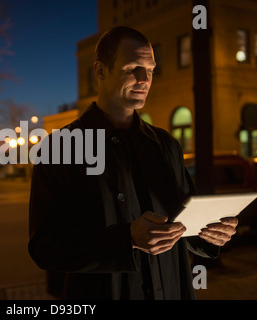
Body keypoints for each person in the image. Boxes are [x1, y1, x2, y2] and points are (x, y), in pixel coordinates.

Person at [28, 26, 238, 300]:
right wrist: (127, 239)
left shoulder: (166, 145)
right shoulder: (59, 148)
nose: (144, 79)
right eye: (132, 68)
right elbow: (45, 247)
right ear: (100, 71)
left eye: (150, 69)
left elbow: (186, 223)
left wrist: (211, 234)